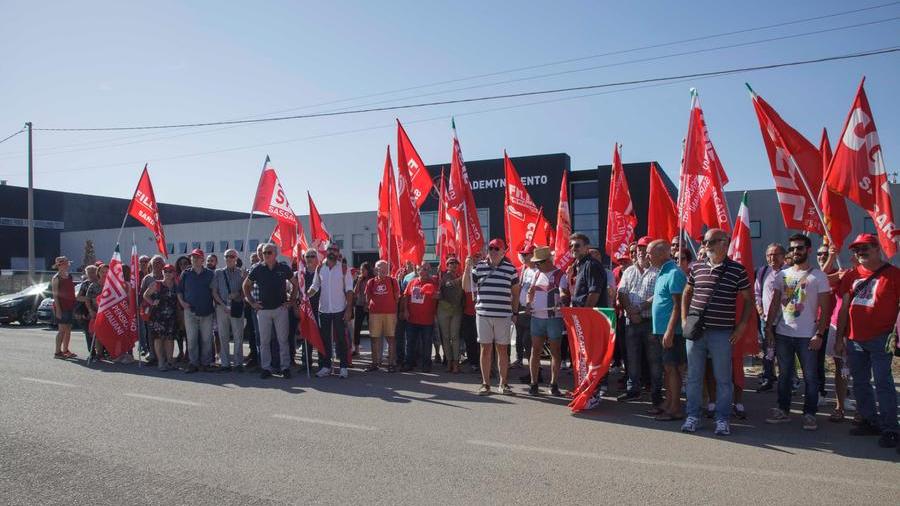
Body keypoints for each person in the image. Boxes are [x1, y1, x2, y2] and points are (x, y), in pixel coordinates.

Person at [680, 228, 753, 436]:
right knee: (693, 377)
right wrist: (685, 319)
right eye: (704, 242)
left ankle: (722, 419)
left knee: (723, 378)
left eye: (710, 241)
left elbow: (749, 300)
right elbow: (687, 292)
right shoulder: (696, 268)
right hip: (696, 332)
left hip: (722, 333)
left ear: (724, 243)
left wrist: (742, 326)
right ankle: (692, 416)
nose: (706, 246)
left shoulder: (737, 270)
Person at [834, 234, 900, 451]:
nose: (859, 253)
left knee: (883, 383)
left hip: (882, 338)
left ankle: (891, 428)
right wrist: (840, 339)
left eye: (864, 248)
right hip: (854, 339)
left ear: (877, 249)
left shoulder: (894, 275)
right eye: (856, 250)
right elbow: (844, 308)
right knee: (860, 383)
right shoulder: (851, 275)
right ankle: (871, 421)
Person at [763, 234, 832, 431]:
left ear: (808, 250)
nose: (795, 252)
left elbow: (825, 310)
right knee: (784, 375)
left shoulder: (818, 276)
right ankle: (783, 410)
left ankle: (809, 414)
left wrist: (819, 334)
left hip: (807, 335)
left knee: (810, 376)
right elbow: (775, 303)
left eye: (799, 248)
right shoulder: (782, 275)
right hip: (784, 334)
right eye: (792, 248)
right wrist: (769, 328)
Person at [463, 238, 520, 396]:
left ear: (503, 251)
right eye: (491, 248)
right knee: (485, 349)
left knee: (502, 350)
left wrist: (515, 313)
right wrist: (467, 269)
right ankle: (485, 383)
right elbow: (467, 287)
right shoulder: (479, 267)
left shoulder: (511, 269)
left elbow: (515, 294)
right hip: (483, 314)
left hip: (503, 315)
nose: (493, 251)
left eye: (497, 249)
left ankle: (503, 383)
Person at [616, 236, 661, 405]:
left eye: (644, 249)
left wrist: (639, 309)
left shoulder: (658, 271)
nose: (641, 252)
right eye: (639, 249)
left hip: (649, 321)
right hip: (631, 321)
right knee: (632, 357)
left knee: (654, 359)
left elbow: (658, 295)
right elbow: (622, 292)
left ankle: (656, 392)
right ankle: (633, 389)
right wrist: (629, 310)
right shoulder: (629, 271)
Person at [243, 243, 298, 379]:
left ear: (275, 254)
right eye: (264, 252)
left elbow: (295, 284)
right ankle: (266, 368)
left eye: (269, 252)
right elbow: (245, 285)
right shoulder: (257, 269)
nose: (265, 255)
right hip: (263, 311)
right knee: (264, 341)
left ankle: (285, 367)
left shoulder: (283, 268)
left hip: (280, 309)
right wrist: (252, 302)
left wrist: (291, 301)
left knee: (283, 340)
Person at [648, 239, 687, 421]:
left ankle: (675, 409)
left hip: (671, 332)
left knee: (672, 369)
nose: (647, 256)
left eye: (650, 253)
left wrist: (670, 331)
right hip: (661, 331)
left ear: (663, 253)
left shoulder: (674, 273)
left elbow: (678, 305)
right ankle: (669, 402)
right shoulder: (661, 272)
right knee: (667, 368)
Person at [525, 246, 568, 396]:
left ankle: (553, 384)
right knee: (535, 350)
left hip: (553, 319)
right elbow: (530, 292)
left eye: (539, 263)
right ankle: (534, 383)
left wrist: (562, 300)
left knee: (555, 352)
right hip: (537, 318)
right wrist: (528, 304)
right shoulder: (537, 274)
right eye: (535, 263)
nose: (536, 265)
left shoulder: (560, 275)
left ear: (547, 261)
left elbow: (563, 291)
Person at [308, 243, 354, 379]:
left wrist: (349, 309)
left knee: (341, 340)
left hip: (340, 309)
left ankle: (343, 367)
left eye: (335, 250)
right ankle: (326, 366)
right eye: (330, 250)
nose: (332, 252)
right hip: (324, 309)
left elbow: (349, 290)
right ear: (326, 252)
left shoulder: (344, 269)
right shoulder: (320, 268)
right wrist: (306, 294)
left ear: (338, 252)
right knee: (325, 340)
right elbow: (315, 286)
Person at [816, 244, 850, 422]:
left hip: (848, 327)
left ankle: (845, 404)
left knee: (849, 368)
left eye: (825, 253)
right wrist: (830, 256)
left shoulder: (844, 271)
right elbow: (819, 280)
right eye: (819, 253)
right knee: (834, 366)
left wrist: (840, 273)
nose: (822, 256)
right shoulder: (827, 273)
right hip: (827, 326)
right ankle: (839, 405)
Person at [177, 248, 216, 373]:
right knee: (192, 339)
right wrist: (182, 303)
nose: (193, 259)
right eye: (192, 257)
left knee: (206, 339)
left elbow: (214, 292)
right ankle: (193, 363)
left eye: (196, 257)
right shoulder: (186, 273)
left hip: (207, 311)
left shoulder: (210, 274)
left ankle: (206, 363)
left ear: (202, 259)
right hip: (190, 312)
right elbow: (179, 291)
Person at [754, 243, 786, 392]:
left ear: (783, 256)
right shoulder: (762, 271)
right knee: (768, 350)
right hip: (765, 319)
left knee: (784, 351)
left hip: (785, 320)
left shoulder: (789, 272)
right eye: (769, 255)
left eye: (775, 254)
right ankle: (768, 377)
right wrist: (759, 309)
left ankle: (789, 379)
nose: (772, 258)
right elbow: (757, 293)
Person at [400, 262, 439, 372]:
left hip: (427, 319)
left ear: (429, 270)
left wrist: (435, 294)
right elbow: (406, 296)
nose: (424, 271)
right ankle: (409, 363)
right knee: (410, 342)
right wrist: (405, 311)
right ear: (418, 271)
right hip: (412, 318)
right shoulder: (412, 282)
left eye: (426, 269)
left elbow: (439, 295)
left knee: (427, 343)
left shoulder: (434, 282)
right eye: (421, 269)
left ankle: (426, 364)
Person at [364, 260, 400, 372]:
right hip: (375, 314)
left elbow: (397, 297)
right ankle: (375, 363)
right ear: (376, 270)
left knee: (391, 339)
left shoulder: (393, 281)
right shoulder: (371, 282)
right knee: (374, 339)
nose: (383, 270)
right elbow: (367, 297)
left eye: (385, 268)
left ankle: (391, 364)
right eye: (380, 268)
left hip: (390, 313)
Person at [213, 249, 246, 372]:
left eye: (232, 256)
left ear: (236, 258)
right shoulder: (218, 273)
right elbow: (214, 292)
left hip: (237, 307)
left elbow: (245, 291)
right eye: (227, 256)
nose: (229, 258)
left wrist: (238, 294)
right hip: (222, 308)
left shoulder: (241, 273)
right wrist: (222, 305)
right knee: (223, 336)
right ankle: (225, 363)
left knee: (238, 336)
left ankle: (238, 363)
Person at [143, 264, 179, 371]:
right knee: (158, 339)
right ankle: (161, 362)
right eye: (165, 271)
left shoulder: (176, 286)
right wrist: (152, 302)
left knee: (170, 339)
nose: (167, 273)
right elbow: (145, 295)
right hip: (158, 317)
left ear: (174, 273)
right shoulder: (157, 284)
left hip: (171, 317)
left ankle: (169, 361)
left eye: (170, 271)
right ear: (163, 272)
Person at [437, 257, 464, 373]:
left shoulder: (461, 277)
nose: (453, 265)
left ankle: (456, 362)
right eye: (451, 263)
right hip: (444, 309)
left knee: (455, 336)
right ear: (447, 265)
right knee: (446, 337)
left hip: (456, 309)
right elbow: (448, 285)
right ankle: (449, 361)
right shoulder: (442, 276)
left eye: (455, 263)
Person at [513, 245, 537, 369]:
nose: (524, 256)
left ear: (533, 255)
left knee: (527, 339)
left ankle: (533, 365)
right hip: (521, 308)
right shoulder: (525, 270)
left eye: (526, 254)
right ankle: (519, 359)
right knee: (519, 335)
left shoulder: (538, 271)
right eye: (523, 254)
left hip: (532, 310)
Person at [139, 255, 165, 365]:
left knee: (164, 334)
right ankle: (153, 355)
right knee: (151, 334)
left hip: (165, 310)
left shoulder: (167, 276)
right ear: (151, 264)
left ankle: (163, 356)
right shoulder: (147, 278)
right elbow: (142, 294)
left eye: (159, 262)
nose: (157, 264)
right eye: (155, 262)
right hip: (151, 311)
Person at [51, 256, 77, 359]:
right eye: (63, 263)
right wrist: (58, 309)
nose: (66, 265)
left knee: (68, 329)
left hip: (70, 305)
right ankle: (57, 352)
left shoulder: (69, 276)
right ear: (59, 265)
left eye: (66, 263)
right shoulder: (56, 278)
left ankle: (66, 350)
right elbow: (55, 295)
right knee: (61, 330)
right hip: (61, 307)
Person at [352, 262, 373, 357]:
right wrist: (358, 281)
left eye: (363, 270)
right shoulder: (359, 280)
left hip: (370, 306)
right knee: (357, 327)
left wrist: (368, 304)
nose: (361, 272)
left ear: (368, 270)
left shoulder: (372, 280)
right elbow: (355, 293)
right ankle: (356, 349)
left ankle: (374, 350)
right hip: (359, 305)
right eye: (360, 270)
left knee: (372, 328)